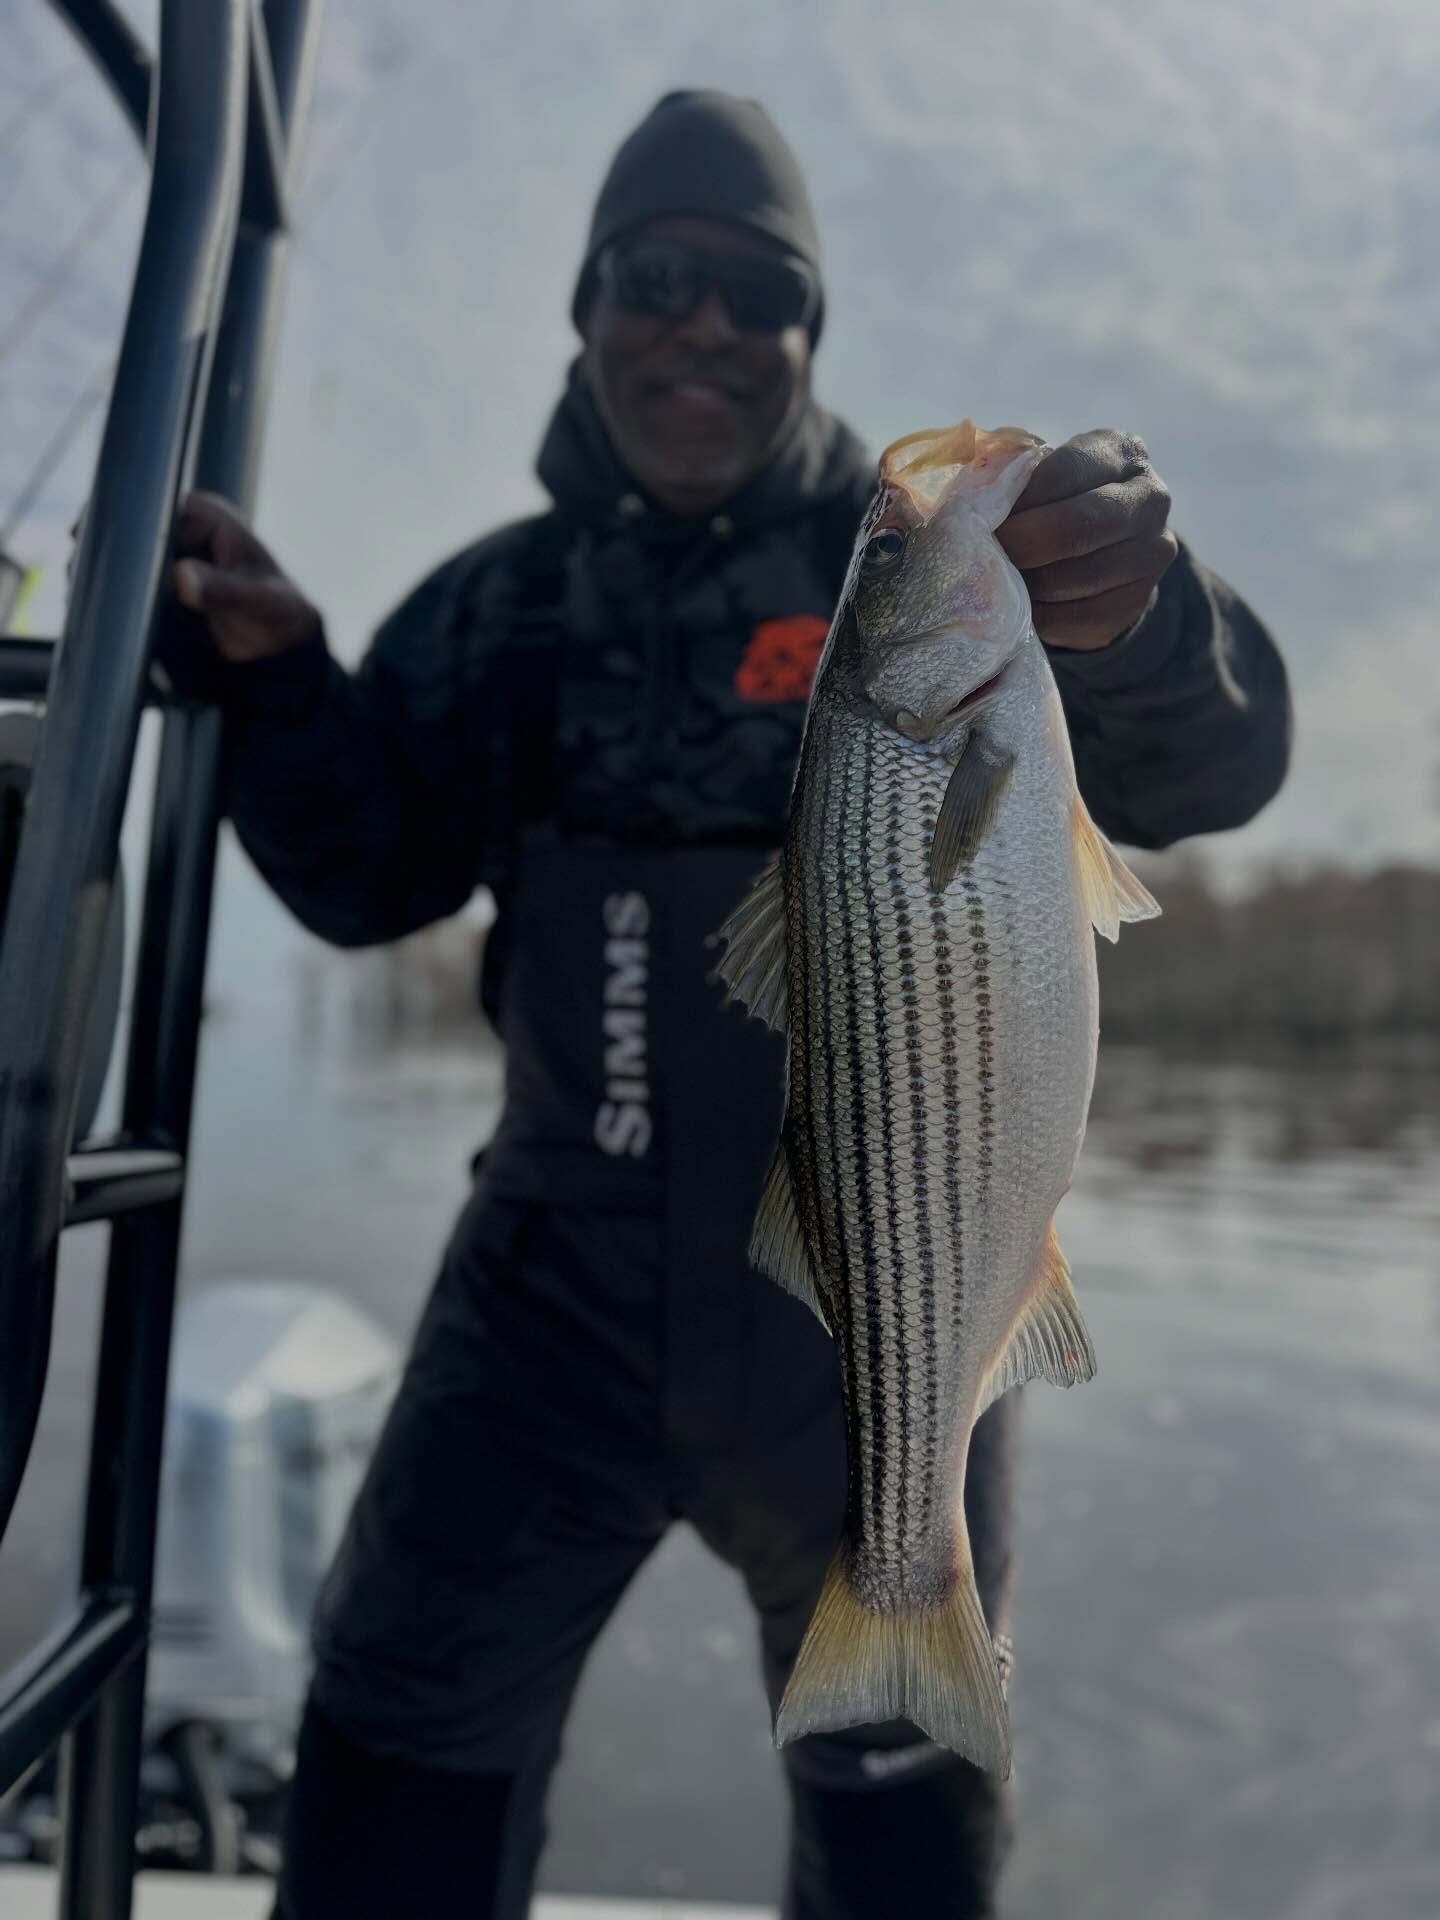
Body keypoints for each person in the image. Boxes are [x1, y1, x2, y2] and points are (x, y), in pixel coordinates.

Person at [163, 91, 1290, 1920]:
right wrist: (287, 693)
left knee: (907, 1810)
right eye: (658, 277)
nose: (703, 324)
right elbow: (366, 879)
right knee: (387, 1756)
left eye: (759, 296)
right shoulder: (496, 610)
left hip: (877, 1314)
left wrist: (1146, 619)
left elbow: (1226, 772)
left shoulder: (929, 578)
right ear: (591, 306)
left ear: (809, 334)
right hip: (544, 1306)